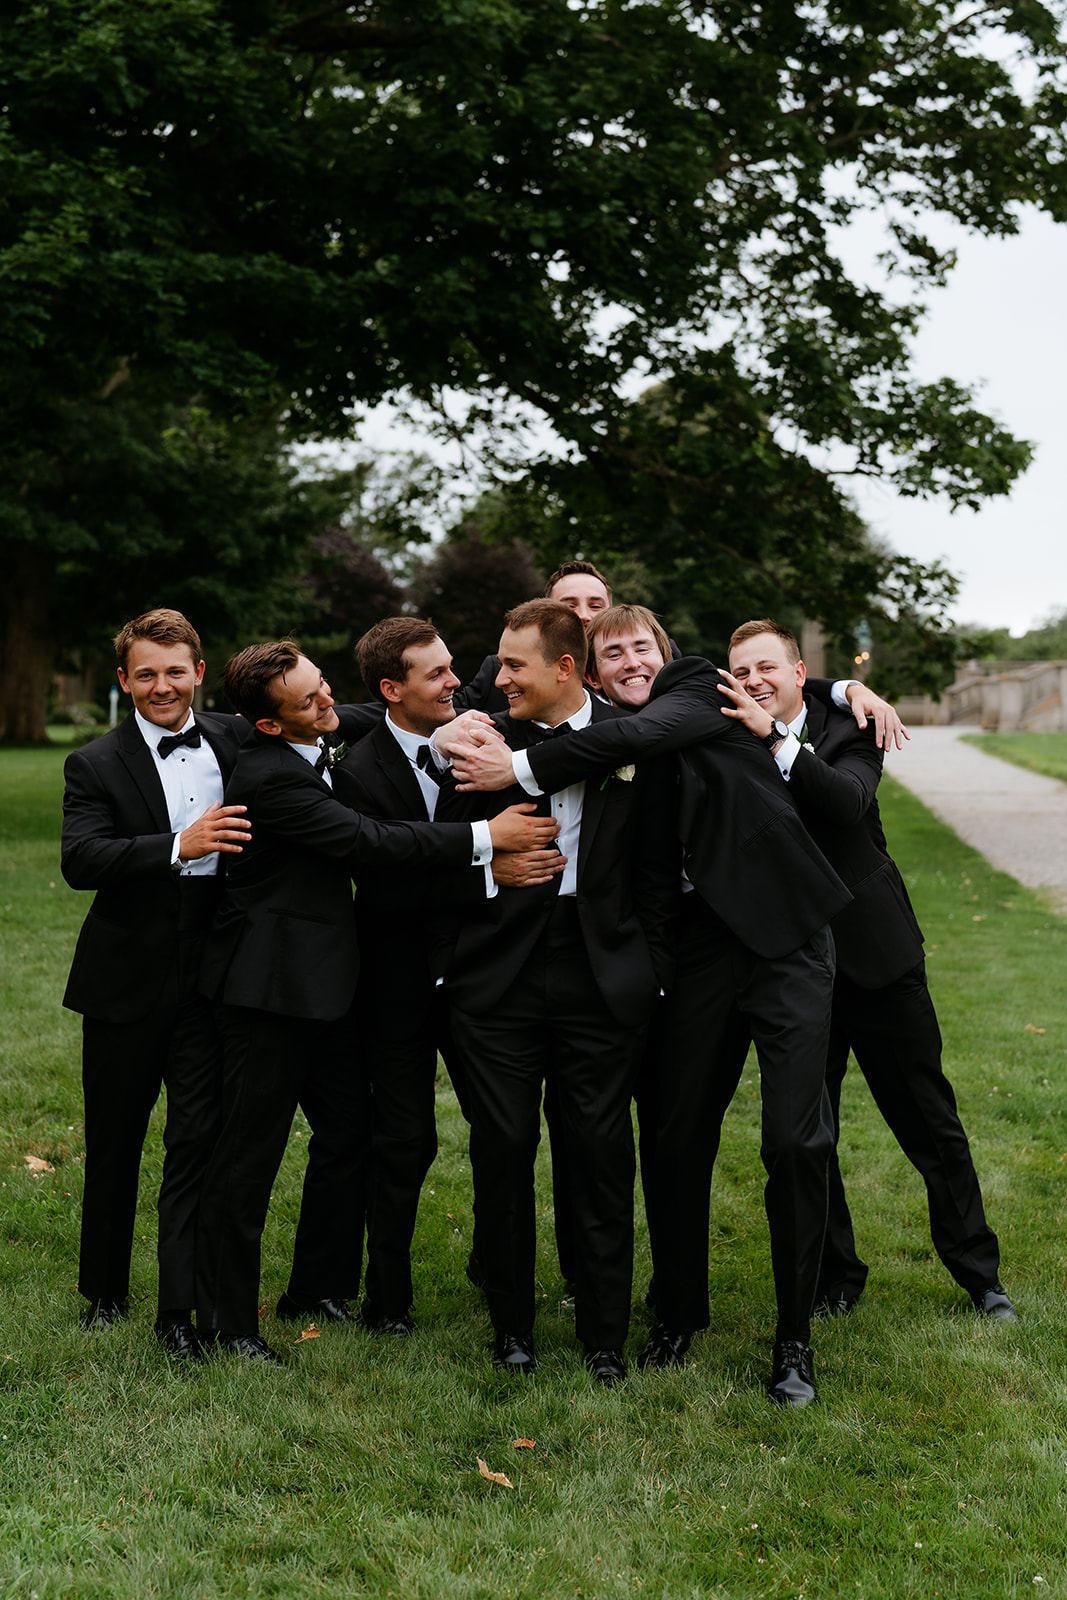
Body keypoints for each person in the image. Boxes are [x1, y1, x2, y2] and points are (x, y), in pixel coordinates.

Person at [439, 604, 902, 1404]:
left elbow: (636, 737)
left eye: (640, 646)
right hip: (694, 951)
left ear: (669, 652)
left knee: (794, 1141)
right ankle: (677, 1313)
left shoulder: (691, 689)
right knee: (673, 1134)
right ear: (584, 669)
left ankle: (793, 1342)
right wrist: (446, 728)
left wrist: (836, 690)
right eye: (609, 652)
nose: (628, 660)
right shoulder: (594, 726)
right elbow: (445, 695)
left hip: (784, 936)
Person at [194, 641, 558, 1364]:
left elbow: (370, 712)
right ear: (269, 725)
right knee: (247, 1159)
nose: (327, 703)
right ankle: (228, 1324)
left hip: (328, 989)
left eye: (324, 686)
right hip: (267, 991)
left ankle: (317, 1286)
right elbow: (366, 841)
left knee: (349, 1136)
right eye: (308, 701)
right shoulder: (269, 779)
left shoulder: (321, 733)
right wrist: (490, 837)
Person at [720, 619, 1015, 1321]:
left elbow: (846, 801)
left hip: (876, 956)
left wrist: (791, 724)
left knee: (928, 1122)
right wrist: (810, 693)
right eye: (742, 671)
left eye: (769, 667)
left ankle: (979, 1273)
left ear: (797, 674)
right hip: (788, 968)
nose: (755, 681)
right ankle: (835, 1277)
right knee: (807, 1133)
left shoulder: (850, 724)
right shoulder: (725, 731)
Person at [434, 600, 678, 1384]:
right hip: (496, 976)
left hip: (601, 976)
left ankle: (605, 1335)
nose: (494, 678)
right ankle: (511, 1330)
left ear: (566, 670)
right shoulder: (479, 739)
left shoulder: (632, 736)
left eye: (512, 666)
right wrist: (486, 865)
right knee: (501, 1150)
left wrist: (651, 973)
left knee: (601, 1154)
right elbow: (431, 848)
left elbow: (657, 878)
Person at [333, 618, 566, 1335]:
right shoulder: (357, 770)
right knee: (402, 1141)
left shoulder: (486, 740)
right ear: (389, 689)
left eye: (453, 669)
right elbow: (378, 881)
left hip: (483, 982)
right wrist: (484, 874)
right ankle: (387, 1298)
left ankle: (500, 1283)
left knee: (505, 1136)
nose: (456, 684)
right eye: (435, 675)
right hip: (394, 984)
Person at [61, 608, 253, 1359]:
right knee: (115, 1141)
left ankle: (187, 1299)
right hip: (125, 979)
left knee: (197, 1140)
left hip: (212, 975)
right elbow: (82, 859)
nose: (162, 686)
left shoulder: (237, 739)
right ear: (124, 681)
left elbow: (329, 718)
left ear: (200, 673)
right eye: (145, 674)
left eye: (175, 671)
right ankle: (103, 1290)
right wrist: (180, 844)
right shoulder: (94, 763)